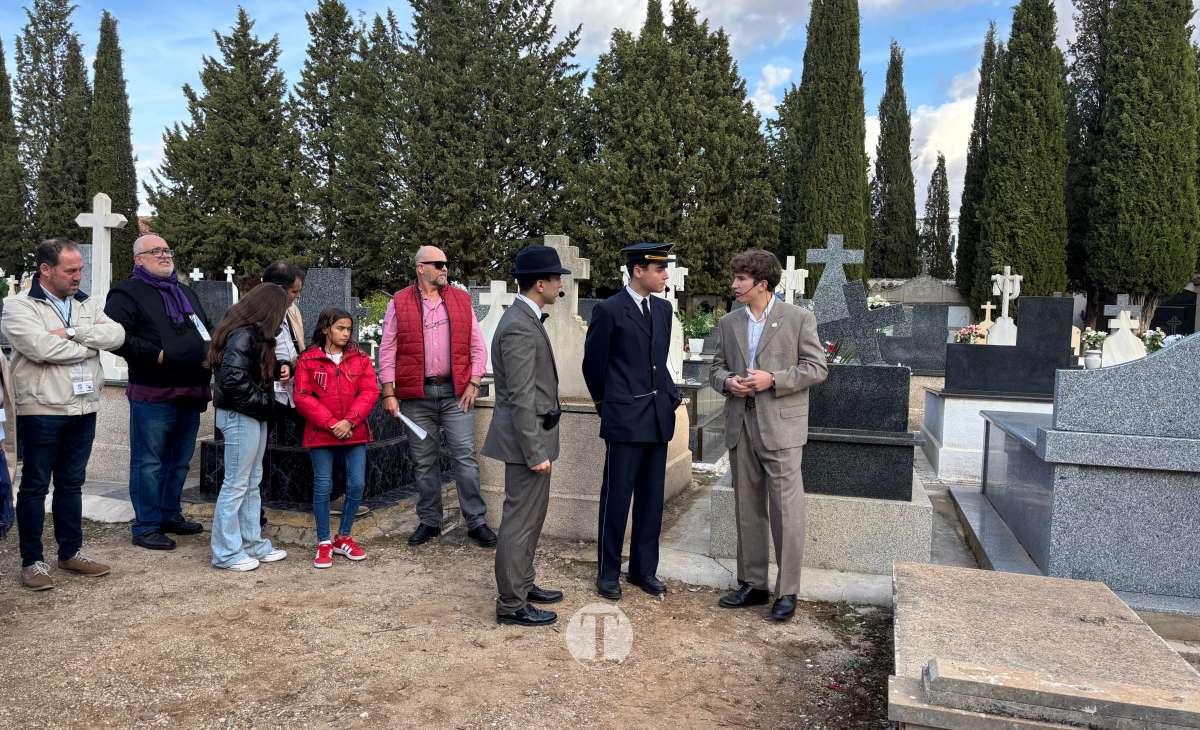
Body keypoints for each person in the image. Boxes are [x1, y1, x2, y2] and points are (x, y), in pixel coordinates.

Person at [710, 250, 828, 621]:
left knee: (786, 511)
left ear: (762, 284)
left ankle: (787, 591)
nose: (734, 285)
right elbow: (715, 368)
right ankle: (753, 584)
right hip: (740, 426)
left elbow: (816, 368)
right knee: (747, 506)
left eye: (741, 279)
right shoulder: (729, 323)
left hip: (782, 429)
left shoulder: (798, 318)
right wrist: (728, 382)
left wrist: (773, 380)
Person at [2, 238, 126, 590]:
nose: (77, 277)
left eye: (80, 270)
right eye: (70, 270)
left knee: (72, 484)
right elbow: (40, 348)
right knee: (35, 485)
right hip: (42, 408)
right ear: (45, 270)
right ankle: (32, 560)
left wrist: (72, 332)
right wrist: (89, 347)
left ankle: (70, 552)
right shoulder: (18, 306)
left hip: (83, 406)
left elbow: (116, 335)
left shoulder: (86, 304)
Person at [582, 242, 683, 601]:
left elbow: (658, 362)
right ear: (638, 271)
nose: (665, 275)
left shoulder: (663, 309)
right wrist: (607, 407)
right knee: (617, 500)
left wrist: (670, 398)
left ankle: (643, 570)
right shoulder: (609, 310)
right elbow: (594, 366)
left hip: (656, 419)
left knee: (652, 501)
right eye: (659, 269)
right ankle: (608, 573)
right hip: (625, 420)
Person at [378, 246, 496, 548]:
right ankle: (429, 521)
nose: (445, 269)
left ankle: (476, 521)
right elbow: (388, 348)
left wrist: (473, 382)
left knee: (465, 458)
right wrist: (388, 392)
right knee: (423, 461)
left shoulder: (460, 299)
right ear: (421, 268)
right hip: (416, 396)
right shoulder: (400, 302)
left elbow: (476, 346)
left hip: (456, 394)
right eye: (438, 264)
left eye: (446, 264)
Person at [105, 234, 212, 551]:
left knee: (179, 460)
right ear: (138, 259)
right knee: (148, 463)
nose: (165, 255)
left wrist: (212, 352)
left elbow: (205, 327)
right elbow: (114, 336)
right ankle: (146, 526)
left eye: (167, 250)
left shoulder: (185, 292)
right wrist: (156, 354)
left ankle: (169, 514)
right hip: (154, 389)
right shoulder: (127, 293)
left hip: (192, 386)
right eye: (156, 251)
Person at [482, 245, 569, 627]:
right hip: (525, 443)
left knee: (530, 519)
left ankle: (524, 583)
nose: (560, 284)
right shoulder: (518, 324)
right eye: (556, 278)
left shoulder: (526, 317)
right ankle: (511, 604)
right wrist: (535, 450)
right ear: (539, 283)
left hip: (534, 437)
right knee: (519, 522)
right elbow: (518, 395)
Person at [207, 283, 290, 572]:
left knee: (251, 482)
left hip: (251, 413)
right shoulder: (242, 335)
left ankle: (251, 542)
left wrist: (277, 363)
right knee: (236, 484)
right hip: (240, 414)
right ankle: (226, 551)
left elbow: (247, 371)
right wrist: (265, 404)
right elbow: (232, 380)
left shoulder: (254, 336)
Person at [294, 307, 379, 569]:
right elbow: (302, 396)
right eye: (340, 328)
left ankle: (344, 536)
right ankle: (323, 541)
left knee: (356, 484)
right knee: (323, 485)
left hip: (354, 431)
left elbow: (369, 391)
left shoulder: (360, 359)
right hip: (322, 431)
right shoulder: (308, 360)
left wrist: (350, 420)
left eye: (348, 329)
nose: (346, 333)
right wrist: (332, 424)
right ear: (325, 329)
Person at [259, 261, 306, 527]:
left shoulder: (291, 311)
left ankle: (327, 494)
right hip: (268, 393)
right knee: (259, 456)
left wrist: (294, 364)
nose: (296, 297)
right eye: (293, 292)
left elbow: (293, 347)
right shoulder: (258, 313)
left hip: (291, 391)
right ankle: (257, 510)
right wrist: (276, 369)